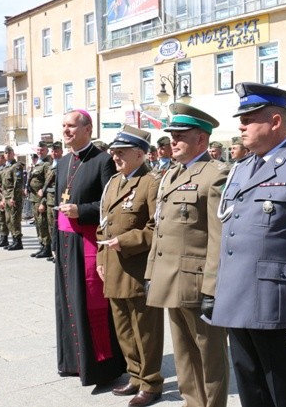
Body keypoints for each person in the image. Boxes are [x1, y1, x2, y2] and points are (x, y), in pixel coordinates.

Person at [207, 82, 286, 407]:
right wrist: (216, 291)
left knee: (285, 395)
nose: (241, 125)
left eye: (250, 119)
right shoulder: (241, 169)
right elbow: (230, 234)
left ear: (276, 121)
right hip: (236, 300)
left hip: (277, 307)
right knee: (251, 393)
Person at [145, 103, 230, 407]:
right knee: (183, 354)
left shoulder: (215, 174)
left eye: (181, 136)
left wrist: (212, 287)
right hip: (169, 278)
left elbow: (219, 237)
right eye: (172, 135)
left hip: (197, 284)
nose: (173, 141)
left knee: (210, 356)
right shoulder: (170, 175)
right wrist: (150, 273)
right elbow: (160, 229)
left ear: (201, 140)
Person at [53, 109, 126, 386]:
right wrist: (53, 243)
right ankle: (72, 362)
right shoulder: (61, 162)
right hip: (65, 243)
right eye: (63, 126)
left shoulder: (102, 160)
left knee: (91, 303)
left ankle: (101, 367)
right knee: (67, 302)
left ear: (87, 129)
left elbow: (110, 206)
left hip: (88, 242)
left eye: (71, 126)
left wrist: (80, 210)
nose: (66, 131)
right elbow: (58, 204)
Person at [96, 126, 164, 407]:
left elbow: (157, 228)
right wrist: (101, 260)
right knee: (123, 328)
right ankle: (135, 375)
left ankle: (151, 382)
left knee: (145, 330)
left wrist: (126, 241)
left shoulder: (151, 182)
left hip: (138, 268)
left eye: (121, 152)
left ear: (139, 154)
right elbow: (103, 225)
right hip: (113, 266)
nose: (115, 157)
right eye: (113, 152)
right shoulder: (114, 181)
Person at [28, 141, 52, 258]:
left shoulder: (47, 165)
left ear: (46, 151)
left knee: (43, 223)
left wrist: (43, 202)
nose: (39, 151)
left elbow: (47, 184)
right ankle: (42, 245)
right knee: (38, 223)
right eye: (38, 150)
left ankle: (47, 247)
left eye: (42, 150)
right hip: (34, 198)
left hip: (41, 199)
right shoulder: (38, 163)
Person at [42, 141, 63, 262]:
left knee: (58, 227)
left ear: (61, 151)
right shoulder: (50, 165)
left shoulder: (64, 164)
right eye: (52, 151)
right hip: (50, 200)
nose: (54, 153)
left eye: (56, 150)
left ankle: (59, 252)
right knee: (51, 227)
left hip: (59, 200)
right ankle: (53, 251)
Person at [0, 146, 24, 251]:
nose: (7, 155)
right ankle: (13, 240)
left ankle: (18, 241)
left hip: (14, 197)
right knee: (8, 220)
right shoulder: (6, 167)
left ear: (13, 154)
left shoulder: (17, 166)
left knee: (15, 220)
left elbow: (17, 183)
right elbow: (3, 185)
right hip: (7, 196)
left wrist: (13, 197)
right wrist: (4, 198)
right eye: (6, 153)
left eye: (9, 153)